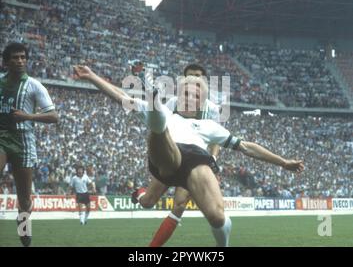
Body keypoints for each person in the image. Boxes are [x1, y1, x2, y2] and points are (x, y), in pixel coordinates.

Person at [73, 64, 304, 247]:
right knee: (149, 189)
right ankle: (153, 113)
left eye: (194, 95)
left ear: (201, 101)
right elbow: (121, 96)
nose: (189, 97)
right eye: (185, 92)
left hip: (196, 162)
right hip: (167, 155)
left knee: (216, 217)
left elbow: (247, 147)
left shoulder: (209, 126)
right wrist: (93, 77)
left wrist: (283, 162)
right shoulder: (168, 112)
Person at [131, 63, 221, 247]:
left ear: (204, 80)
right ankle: (140, 193)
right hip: (173, 156)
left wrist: (213, 160)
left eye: (198, 76)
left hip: (196, 162)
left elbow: (216, 139)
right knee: (148, 201)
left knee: (179, 204)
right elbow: (161, 124)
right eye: (190, 76)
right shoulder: (173, 102)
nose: (195, 79)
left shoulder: (212, 109)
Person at [0, 43, 58, 247]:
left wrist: (28, 116)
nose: (20, 61)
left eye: (23, 57)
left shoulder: (34, 85)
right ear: (5, 62)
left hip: (23, 140)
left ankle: (23, 223)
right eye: (15, 57)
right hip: (1, 136)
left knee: (24, 200)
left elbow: (53, 116)